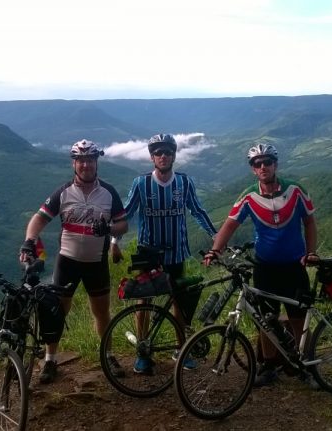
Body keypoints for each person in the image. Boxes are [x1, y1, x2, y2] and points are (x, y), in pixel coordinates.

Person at [203, 142, 319, 387]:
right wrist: (215, 250)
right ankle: (269, 366)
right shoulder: (248, 196)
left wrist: (311, 252)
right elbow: (230, 224)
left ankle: (307, 365)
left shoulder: (296, 191)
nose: (263, 166)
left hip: (294, 265)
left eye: (267, 162)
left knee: (299, 317)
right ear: (253, 169)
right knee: (267, 319)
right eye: (258, 164)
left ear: (275, 164)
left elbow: (309, 222)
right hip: (265, 267)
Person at [19, 139, 128, 384]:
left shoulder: (109, 193)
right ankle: (50, 359)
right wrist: (29, 240)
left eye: (90, 160)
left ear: (96, 162)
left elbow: (123, 224)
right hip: (67, 261)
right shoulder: (63, 192)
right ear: (74, 164)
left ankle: (108, 354)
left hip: (96, 262)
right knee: (58, 312)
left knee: (102, 312)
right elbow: (39, 219)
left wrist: (110, 227)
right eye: (81, 160)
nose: (86, 165)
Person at [111, 133, 218, 373]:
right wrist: (114, 241)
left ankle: (181, 350)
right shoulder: (141, 183)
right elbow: (126, 213)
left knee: (178, 301)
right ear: (151, 157)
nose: (163, 156)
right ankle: (143, 351)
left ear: (174, 155)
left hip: (177, 252)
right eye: (158, 152)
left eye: (167, 152)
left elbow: (197, 211)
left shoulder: (184, 182)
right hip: (148, 253)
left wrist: (216, 237)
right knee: (143, 302)